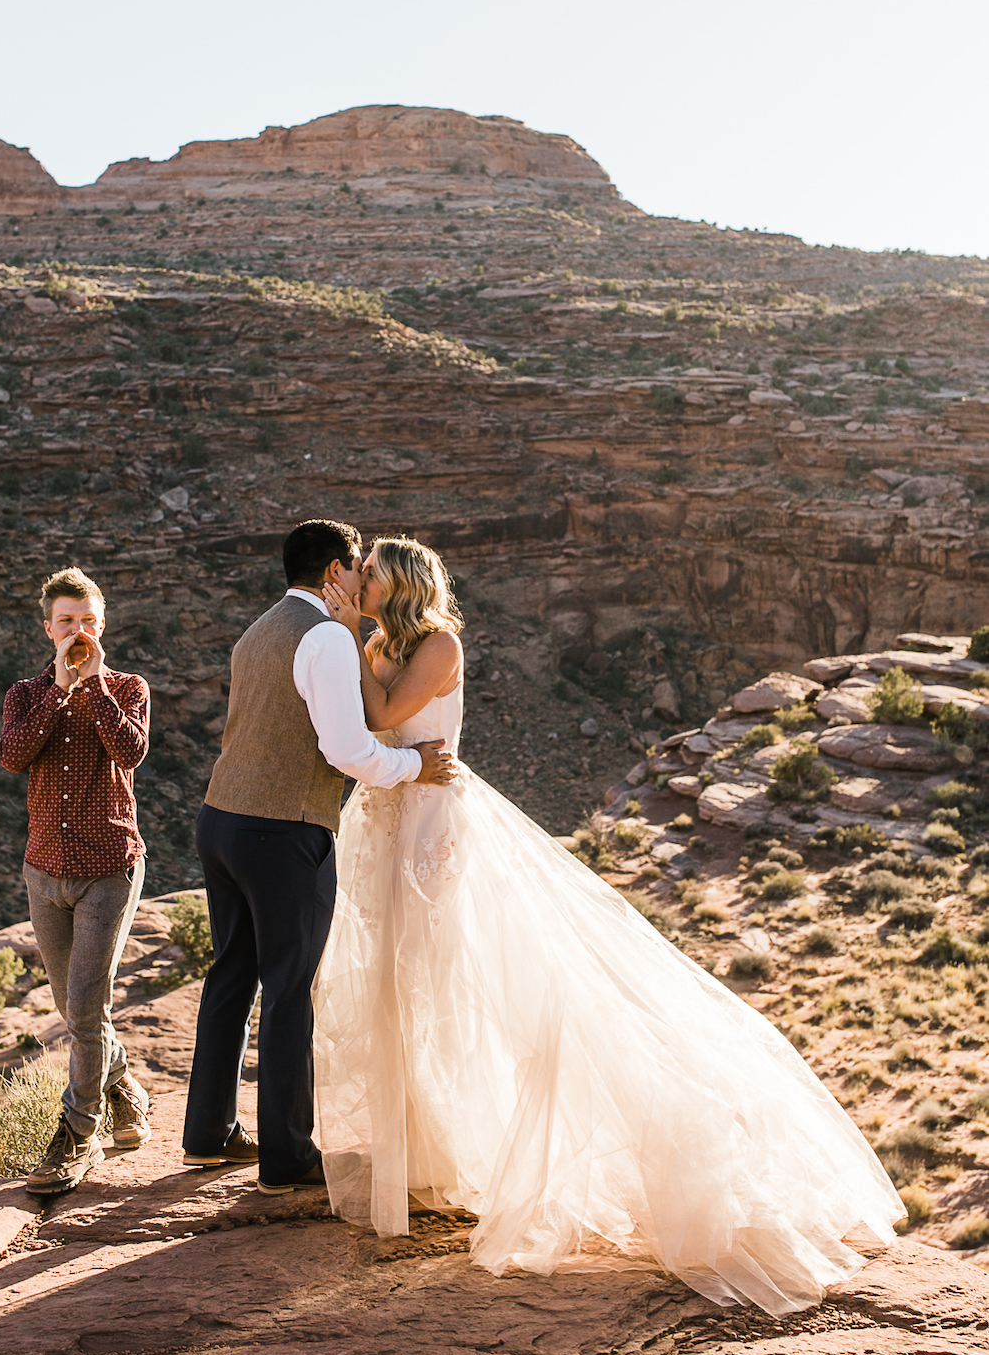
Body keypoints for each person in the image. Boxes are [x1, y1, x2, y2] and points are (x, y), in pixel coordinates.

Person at [310, 535, 901, 1315]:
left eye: (373, 574)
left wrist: (348, 633)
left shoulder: (438, 643)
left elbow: (383, 712)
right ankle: (425, 1158)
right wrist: (358, 638)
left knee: (456, 984)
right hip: (391, 815)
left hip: (428, 824)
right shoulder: (385, 640)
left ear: (404, 581)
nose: (363, 583)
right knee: (400, 986)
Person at [185, 519, 458, 1191]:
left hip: (220, 819)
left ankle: (207, 1134)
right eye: (358, 566)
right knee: (287, 989)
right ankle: (287, 1157)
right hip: (280, 830)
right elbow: (348, 751)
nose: (363, 578)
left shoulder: (261, 628)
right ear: (334, 571)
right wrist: (410, 767)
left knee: (231, 976)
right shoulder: (329, 637)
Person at [0, 567, 154, 1195]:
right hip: (44, 871)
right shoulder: (26, 693)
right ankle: (125, 1093)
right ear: (48, 629)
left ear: (103, 626)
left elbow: (131, 750)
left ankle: (76, 1136)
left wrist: (90, 688)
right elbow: (13, 757)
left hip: (108, 868)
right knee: (74, 1009)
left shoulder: (128, 689)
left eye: (87, 621)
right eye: (67, 621)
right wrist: (60, 690)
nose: (77, 630)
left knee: (85, 1009)